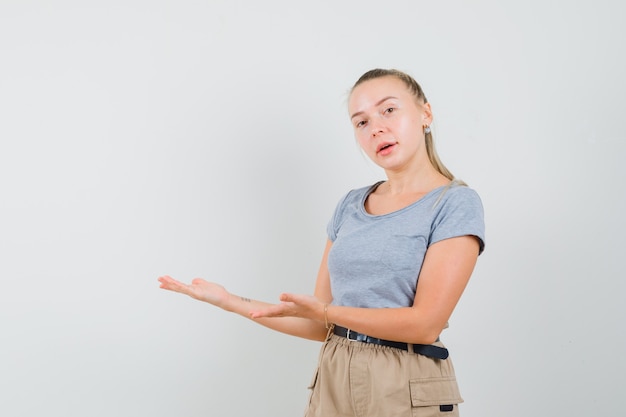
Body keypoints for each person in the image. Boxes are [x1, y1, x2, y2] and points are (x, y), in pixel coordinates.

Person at [158, 68, 485, 417]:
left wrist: (327, 313)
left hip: (404, 382)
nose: (376, 127)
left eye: (388, 110)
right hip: (334, 375)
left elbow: (425, 324)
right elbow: (318, 322)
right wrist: (229, 301)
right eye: (360, 122)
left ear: (425, 114)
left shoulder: (455, 203)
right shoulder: (350, 205)